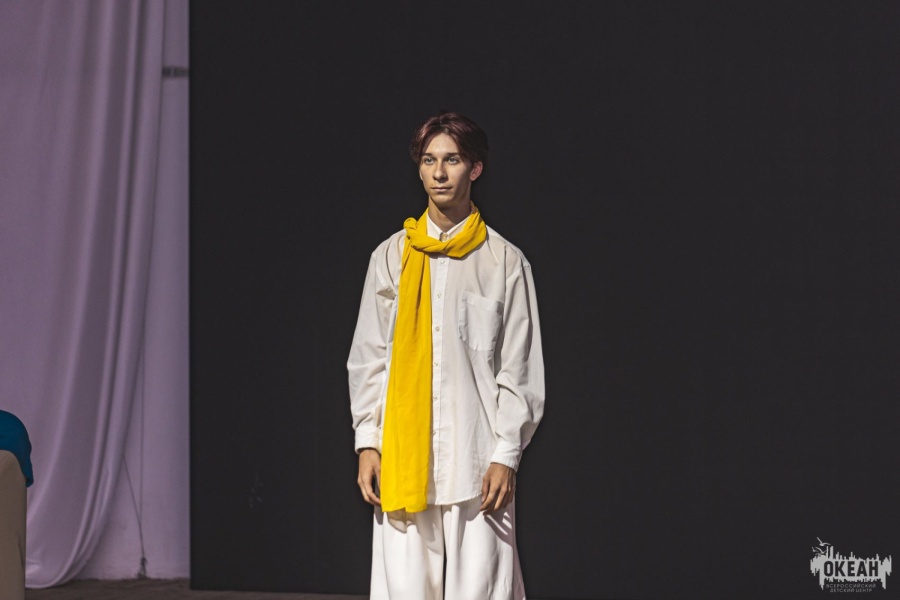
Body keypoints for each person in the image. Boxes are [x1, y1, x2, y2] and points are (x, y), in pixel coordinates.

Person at [347, 111, 545, 600]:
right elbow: (369, 358)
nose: (439, 173)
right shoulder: (390, 257)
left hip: (476, 465)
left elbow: (519, 370)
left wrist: (506, 455)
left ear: (475, 168)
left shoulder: (503, 261)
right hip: (403, 459)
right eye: (429, 160)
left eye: (452, 160)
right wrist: (368, 442)